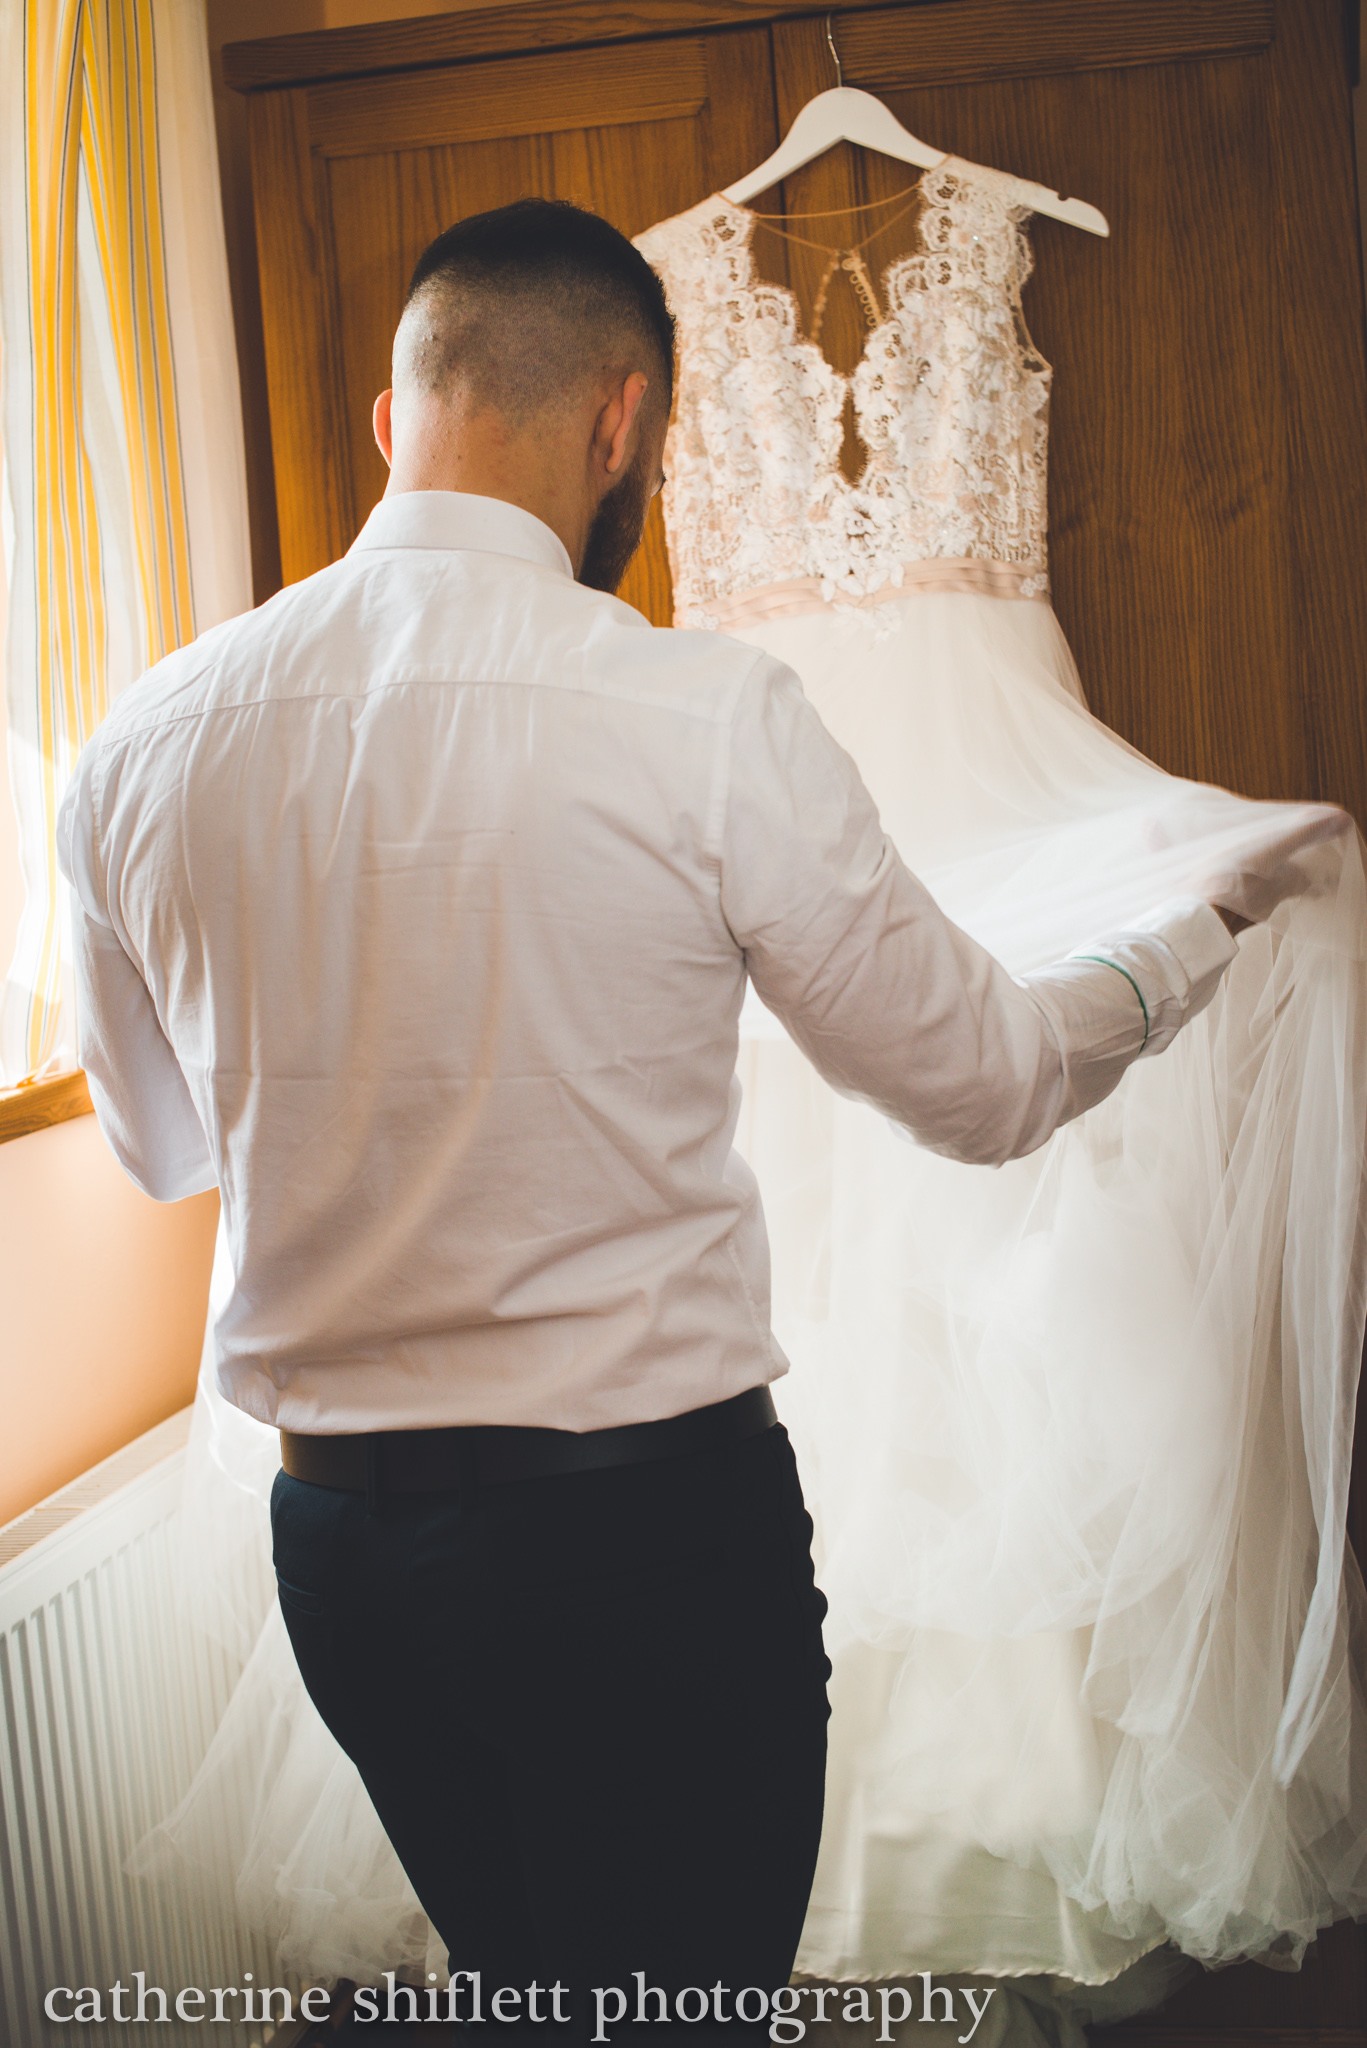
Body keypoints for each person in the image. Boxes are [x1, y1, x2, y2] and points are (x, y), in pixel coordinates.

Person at [58, 199, 1270, 2044]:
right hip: (633, 1542)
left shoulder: (141, 745)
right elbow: (988, 1086)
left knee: (532, 1993)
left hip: (347, 1563)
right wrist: (1189, 943)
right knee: (682, 2011)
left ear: (397, 422)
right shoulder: (702, 716)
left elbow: (163, 1152)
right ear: (623, 422)